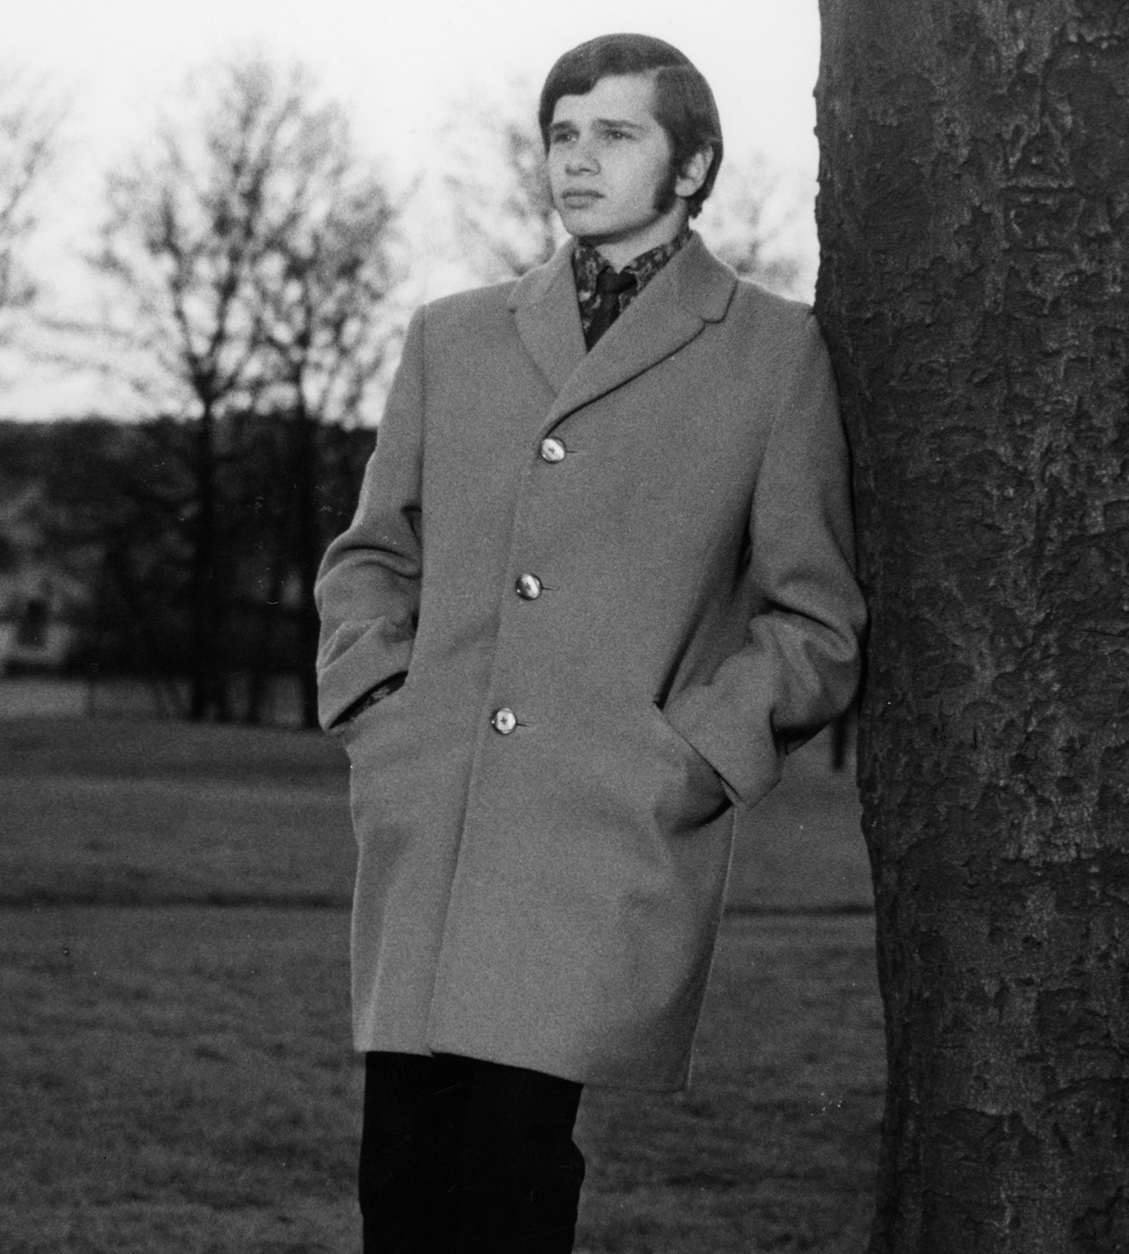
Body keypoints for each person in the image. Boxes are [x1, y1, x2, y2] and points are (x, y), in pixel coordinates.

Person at [314, 31, 865, 1254]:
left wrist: (688, 759)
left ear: (693, 165)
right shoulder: (452, 336)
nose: (577, 157)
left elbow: (816, 622)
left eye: (616, 133)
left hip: (600, 823)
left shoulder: (773, 352)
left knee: (512, 1174)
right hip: (436, 809)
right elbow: (371, 556)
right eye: (562, 133)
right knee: (399, 1175)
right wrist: (377, 704)